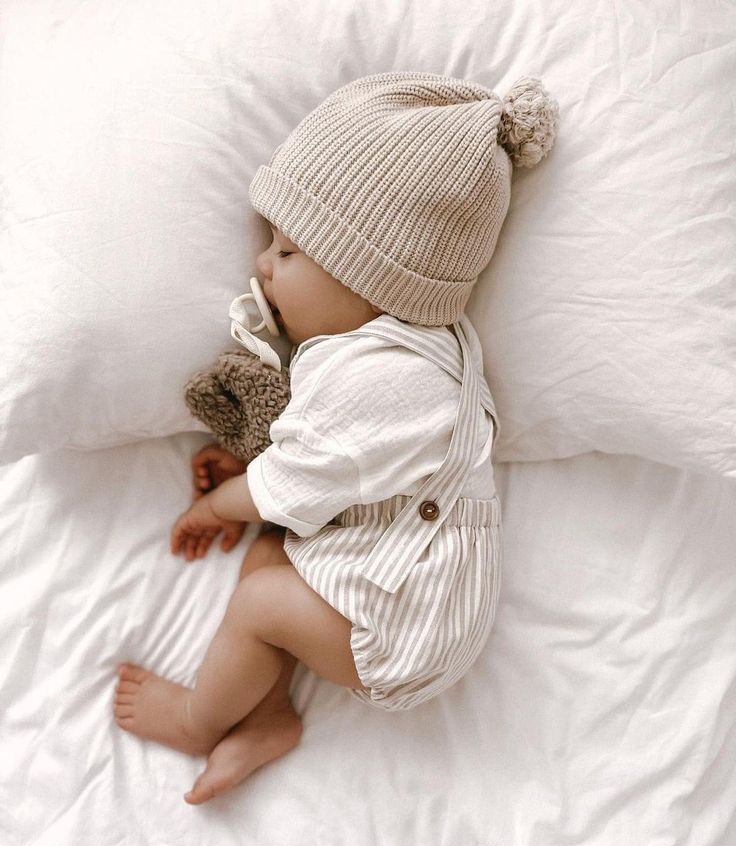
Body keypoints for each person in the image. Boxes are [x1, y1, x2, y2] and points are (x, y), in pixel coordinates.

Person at [113, 71, 558, 803]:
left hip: (408, 624)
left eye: (286, 253)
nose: (261, 264)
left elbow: (301, 478)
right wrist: (253, 472)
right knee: (269, 555)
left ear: (369, 278)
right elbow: (324, 462)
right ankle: (267, 714)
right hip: (374, 567)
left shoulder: (397, 376)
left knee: (259, 603)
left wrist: (222, 501)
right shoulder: (379, 356)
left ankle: (199, 717)